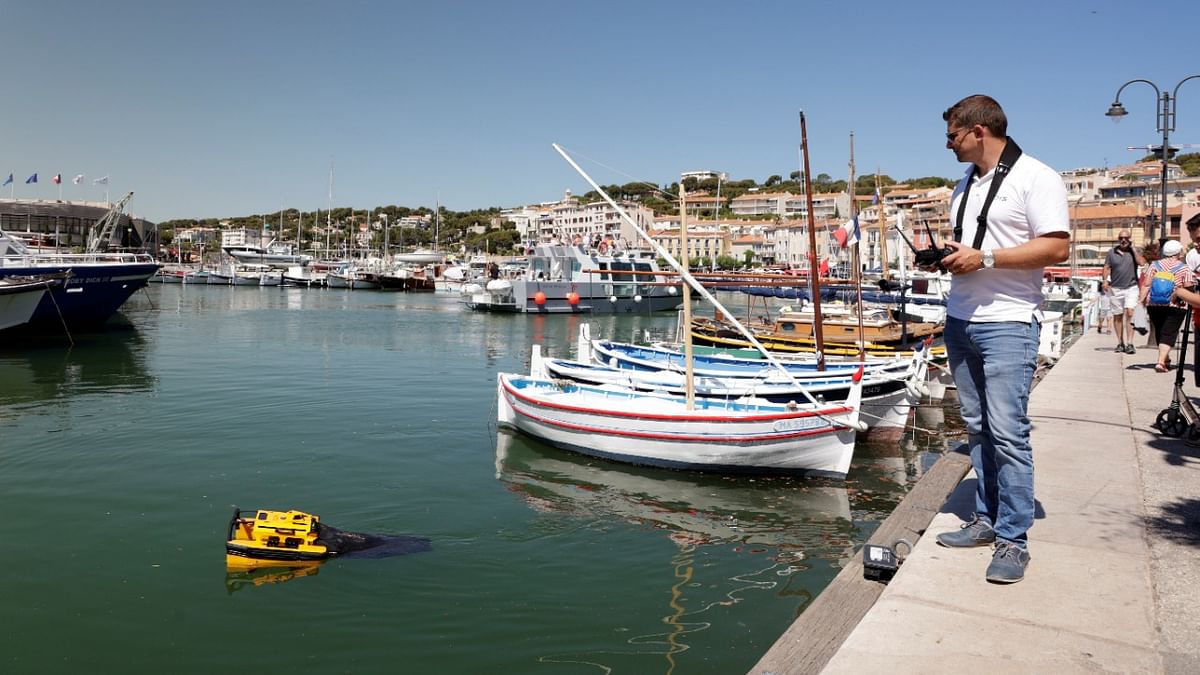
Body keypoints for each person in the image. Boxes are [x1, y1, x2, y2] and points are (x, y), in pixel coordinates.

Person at [929, 95, 1069, 584]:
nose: (947, 144)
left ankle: (1014, 541)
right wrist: (947, 256)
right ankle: (987, 520)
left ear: (979, 130)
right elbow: (972, 246)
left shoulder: (1037, 176)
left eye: (952, 135)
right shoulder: (964, 183)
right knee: (978, 430)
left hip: (1009, 321)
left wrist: (984, 259)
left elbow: (1056, 246)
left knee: (1009, 434)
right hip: (961, 318)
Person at [1138, 240, 1193, 372]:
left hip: (1154, 304)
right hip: (1175, 305)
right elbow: (1189, 287)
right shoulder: (1184, 267)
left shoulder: (1154, 265)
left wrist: (1141, 301)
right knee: (1169, 332)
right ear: (1178, 253)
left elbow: (1146, 285)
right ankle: (1161, 362)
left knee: (1160, 331)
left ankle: (1165, 359)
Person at [1102, 229, 1145, 353]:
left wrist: (1134, 249)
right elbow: (1106, 267)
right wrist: (1105, 280)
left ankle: (1130, 343)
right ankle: (1120, 342)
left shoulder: (1133, 252)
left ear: (1130, 239)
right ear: (1118, 239)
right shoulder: (1111, 252)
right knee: (1117, 316)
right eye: (1121, 238)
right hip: (1115, 288)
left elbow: (1141, 263)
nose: (1123, 240)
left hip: (1131, 287)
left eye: (1126, 238)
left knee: (1130, 312)